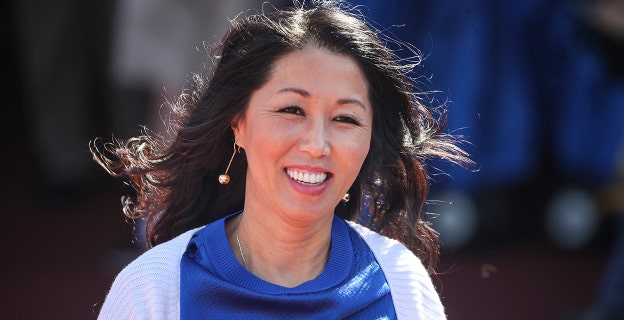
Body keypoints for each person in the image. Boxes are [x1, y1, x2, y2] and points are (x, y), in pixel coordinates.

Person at [92, 1, 469, 319]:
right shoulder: (156, 289)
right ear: (237, 125)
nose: (317, 144)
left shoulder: (400, 284)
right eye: (292, 110)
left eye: (346, 119)